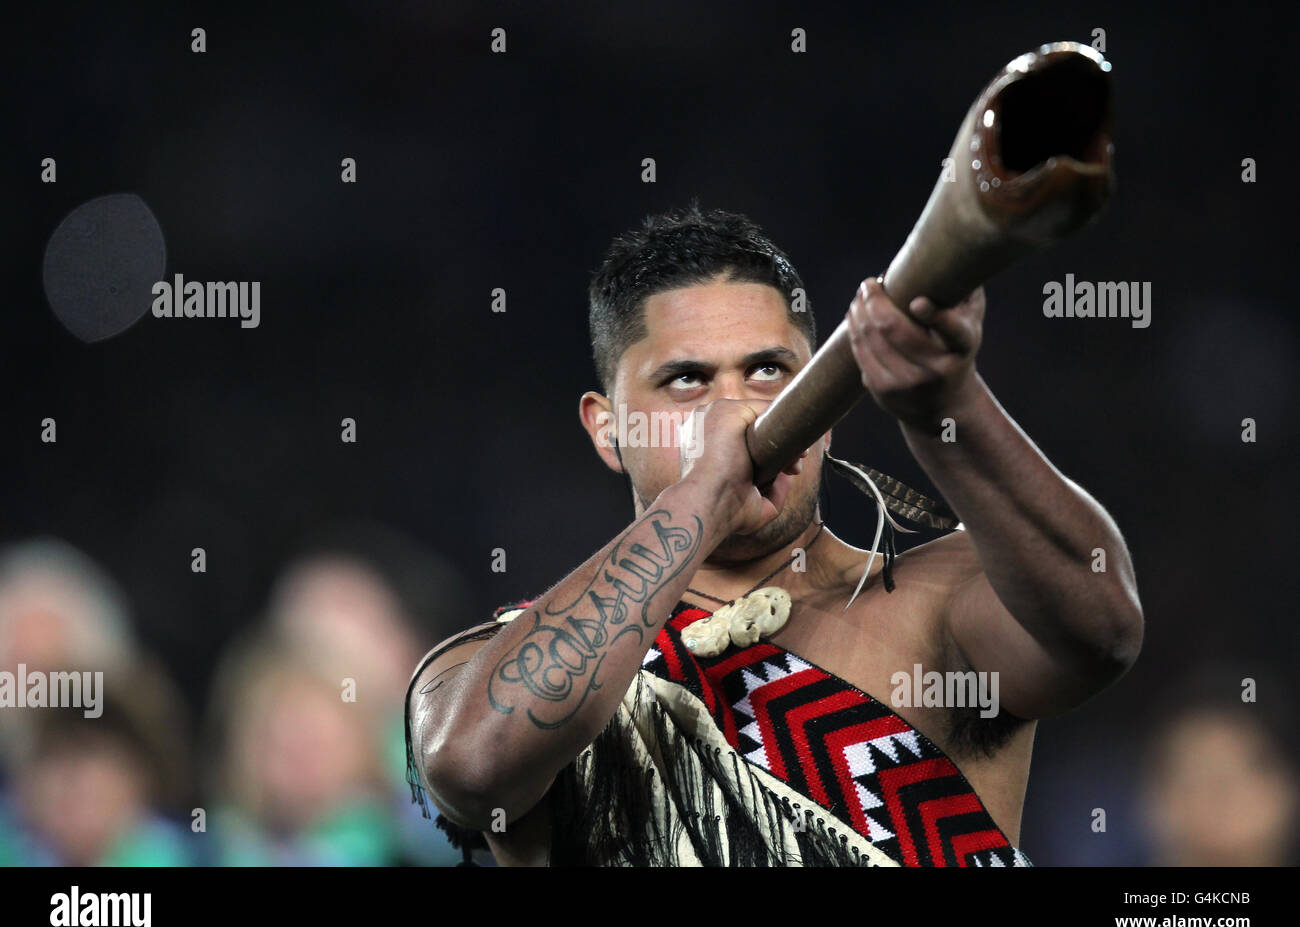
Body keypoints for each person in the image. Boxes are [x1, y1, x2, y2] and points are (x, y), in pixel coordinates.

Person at [405, 202, 1143, 866]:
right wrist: (706, 492)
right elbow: (474, 766)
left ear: (822, 397)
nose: (739, 412)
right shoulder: (499, 662)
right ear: (608, 429)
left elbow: (1102, 629)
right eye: (687, 381)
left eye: (769, 371)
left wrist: (948, 406)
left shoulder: (943, 601)